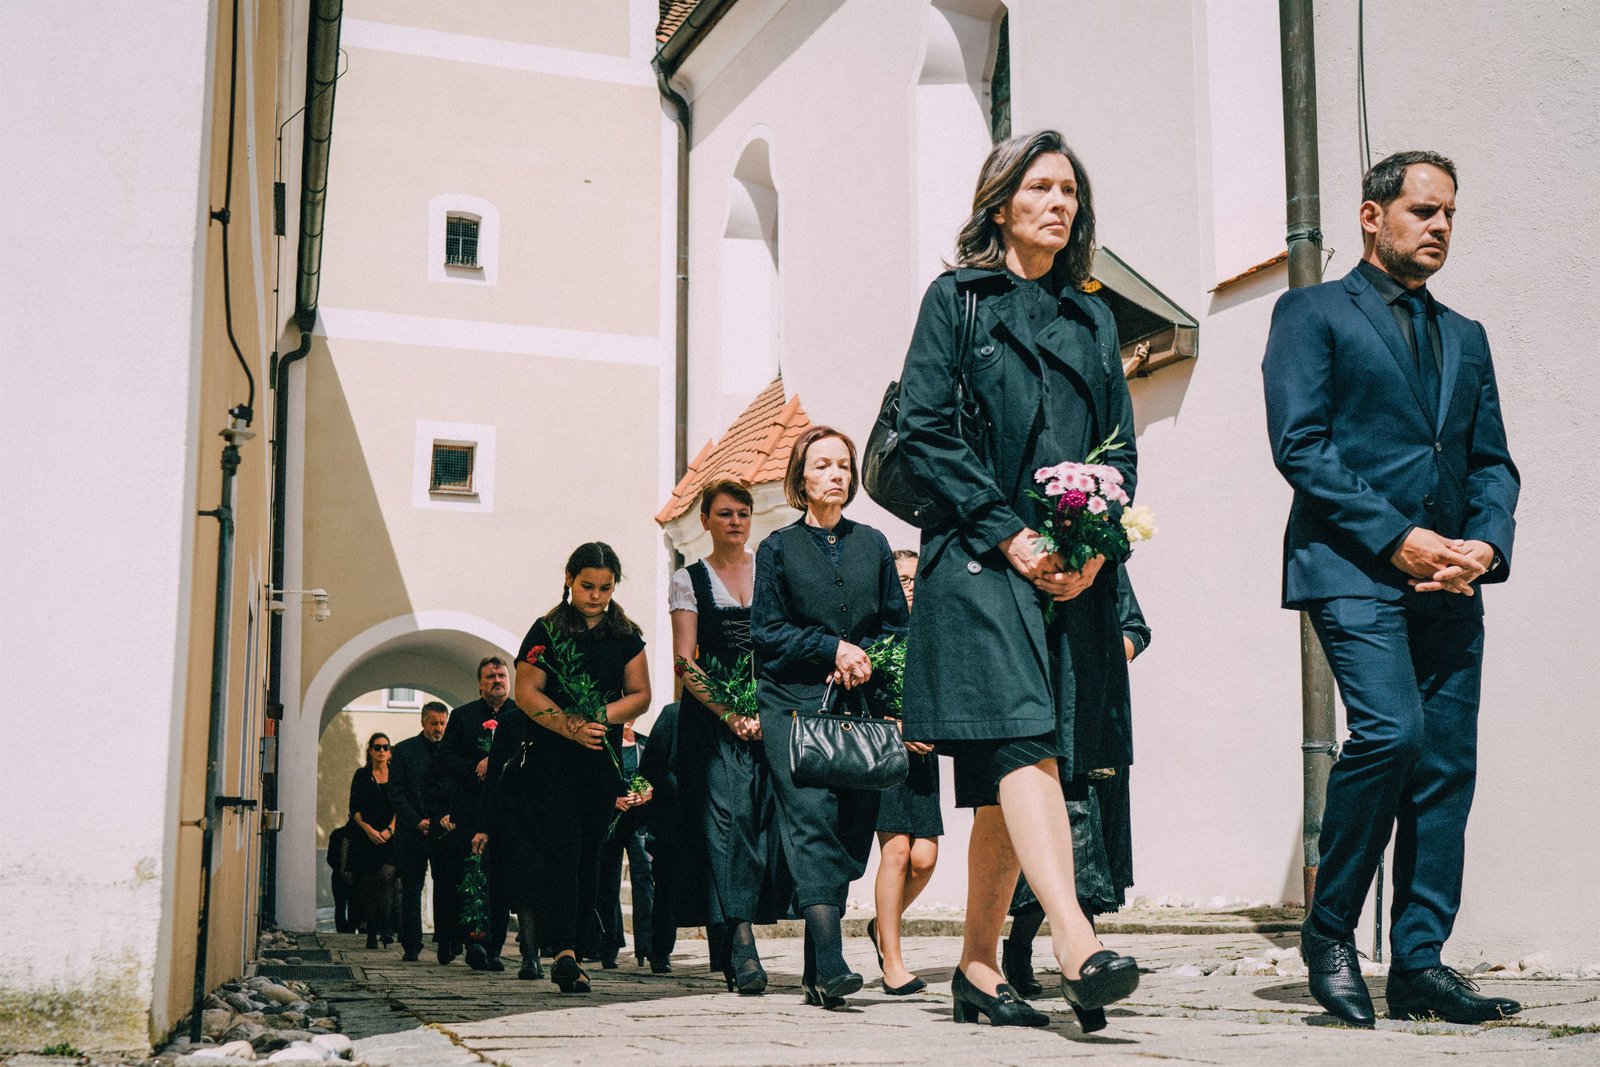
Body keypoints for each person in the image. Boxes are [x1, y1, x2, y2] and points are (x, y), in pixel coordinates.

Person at [1262, 150, 1520, 1027]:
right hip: (1352, 566)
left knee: (1444, 763)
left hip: (1450, 576)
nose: (1440, 225)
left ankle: (1419, 962)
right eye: (1423, 209)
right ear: (1372, 216)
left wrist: (1485, 544)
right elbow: (1300, 445)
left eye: (1449, 213)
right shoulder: (1311, 312)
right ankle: (1330, 928)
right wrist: (1397, 537)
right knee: (1391, 731)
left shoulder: (1467, 335)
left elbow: (1490, 460)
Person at [896, 129, 1141, 1031]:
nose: (1058, 203)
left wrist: (1097, 548)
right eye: (1039, 187)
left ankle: (976, 964)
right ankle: (1076, 941)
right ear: (1000, 205)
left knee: (1020, 758)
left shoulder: (1093, 317)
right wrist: (1011, 536)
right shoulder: (956, 299)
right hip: (977, 558)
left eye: (1069, 191)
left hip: (1069, 571)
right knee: (1024, 740)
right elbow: (924, 428)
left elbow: (1120, 452)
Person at [752, 426, 910, 1010]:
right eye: (822, 465)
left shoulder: (874, 543)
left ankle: (817, 973)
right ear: (800, 476)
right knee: (811, 819)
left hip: (859, 707)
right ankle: (835, 959)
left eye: (843, 465)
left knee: (849, 825)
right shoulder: (776, 549)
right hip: (792, 704)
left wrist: (869, 663)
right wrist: (831, 649)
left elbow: (897, 626)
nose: (836, 474)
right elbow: (767, 631)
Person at [1002, 564, 1149, 1034]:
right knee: (1064, 837)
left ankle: (1036, 951)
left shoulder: (1103, 557)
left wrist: (1101, 652)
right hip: (1037, 712)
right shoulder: (1022, 561)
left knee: (1085, 841)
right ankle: (1075, 960)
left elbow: (1136, 628)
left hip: (1097, 714)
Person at [514, 542, 653, 994]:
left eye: (605, 588)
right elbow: (526, 692)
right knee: (562, 850)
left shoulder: (626, 634)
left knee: (591, 855)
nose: (595, 596)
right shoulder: (546, 630)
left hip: (599, 759)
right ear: (569, 579)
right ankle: (563, 951)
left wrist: (599, 716)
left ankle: (574, 950)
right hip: (552, 760)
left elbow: (641, 694)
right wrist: (567, 725)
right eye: (587, 586)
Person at [671, 479, 790, 993]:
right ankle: (742, 946)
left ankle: (730, 934)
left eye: (743, 513)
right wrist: (730, 714)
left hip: (770, 714)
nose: (736, 521)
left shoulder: (771, 572)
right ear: (706, 521)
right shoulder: (688, 579)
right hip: (712, 724)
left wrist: (768, 707)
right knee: (728, 825)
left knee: (764, 823)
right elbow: (685, 662)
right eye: (725, 513)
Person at [867, 549, 941, 996]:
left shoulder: (933, 634)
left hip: (924, 758)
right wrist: (897, 728)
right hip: (884, 753)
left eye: (916, 580)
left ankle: (882, 924)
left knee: (924, 859)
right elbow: (857, 702)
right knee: (895, 853)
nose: (909, 588)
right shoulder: (875, 635)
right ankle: (893, 963)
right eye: (901, 580)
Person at [441, 656, 520, 972]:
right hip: (471, 811)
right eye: (490, 676)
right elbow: (446, 759)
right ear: (480, 684)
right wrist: (475, 766)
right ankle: (473, 941)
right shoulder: (462, 717)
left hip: (506, 813)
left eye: (501, 675)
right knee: (472, 875)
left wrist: (500, 764)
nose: (497, 680)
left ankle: (495, 948)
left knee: (499, 880)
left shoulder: (521, 714)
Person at [390, 701, 461, 964]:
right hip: (412, 831)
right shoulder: (404, 751)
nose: (438, 728)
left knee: (446, 887)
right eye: (434, 723)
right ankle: (411, 944)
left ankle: (447, 941)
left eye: (442, 723)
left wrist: (447, 817)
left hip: (443, 831)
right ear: (423, 722)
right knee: (412, 888)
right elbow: (396, 792)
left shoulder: (451, 751)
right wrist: (417, 820)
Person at [588, 720, 655, 968]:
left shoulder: (644, 743)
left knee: (644, 879)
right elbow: (595, 778)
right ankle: (610, 944)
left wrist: (645, 793)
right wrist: (611, 799)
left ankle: (647, 946)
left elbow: (653, 773)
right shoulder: (604, 743)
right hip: (611, 820)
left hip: (639, 821)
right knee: (608, 881)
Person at [348, 732, 400, 949]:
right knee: (368, 885)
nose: (381, 751)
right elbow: (354, 808)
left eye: (385, 747)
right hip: (365, 838)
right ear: (370, 750)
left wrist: (390, 830)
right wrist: (368, 830)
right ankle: (371, 931)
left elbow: (401, 805)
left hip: (390, 837)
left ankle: (386, 928)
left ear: (390, 751)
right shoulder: (362, 775)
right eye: (377, 747)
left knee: (386, 879)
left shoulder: (396, 775)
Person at [326, 819, 360, 934]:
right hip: (353, 876)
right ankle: (350, 930)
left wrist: (340, 871)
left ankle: (342, 931)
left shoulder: (337, 834)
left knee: (340, 906)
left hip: (338, 876)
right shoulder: (359, 836)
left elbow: (330, 858)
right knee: (352, 905)